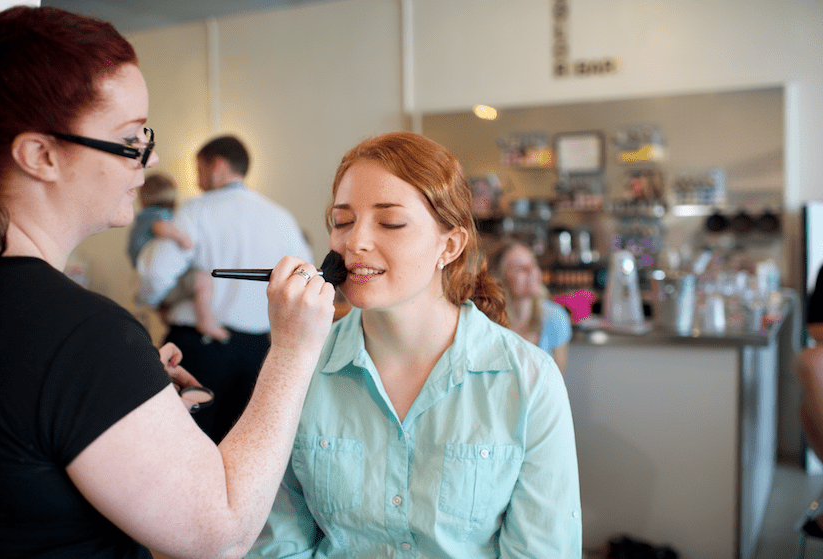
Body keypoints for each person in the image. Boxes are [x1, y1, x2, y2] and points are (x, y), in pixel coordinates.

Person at [0, 6, 334, 559]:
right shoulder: (81, 335)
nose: (146, 163)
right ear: (40, 155)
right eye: (129, 140)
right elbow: (220, 533)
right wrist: (293, 350)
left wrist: (118, 389)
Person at [248, 132, 582, 558]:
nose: (355, 243)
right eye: (343, 221)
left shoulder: (529, 380)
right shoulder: (302, 367)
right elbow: (277, 543)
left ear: (450, 244)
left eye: (390, 222)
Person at [137, 135, 314, 443]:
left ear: (217, 166)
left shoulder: (195, 211)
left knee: (181, 447)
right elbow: (306, 278)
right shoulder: (281, 218)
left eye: (200, 169)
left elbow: (156, 272)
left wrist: (151, 302)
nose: (197, 178)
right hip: (258, 353)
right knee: (241, 449)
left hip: (197, 350)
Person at [128, 172, 229, 341]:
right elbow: (161, 227)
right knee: (203, 279)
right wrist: (183, 238)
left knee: (166, 307)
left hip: (141, 279)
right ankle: (206, 321)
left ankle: (165, 314)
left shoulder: (141, 218)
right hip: (154, 279)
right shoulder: (158, 216)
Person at [488, 240, 573, 373]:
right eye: (519, 268)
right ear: (499, 278)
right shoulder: (487, 322)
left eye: (532, 264)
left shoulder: (555, 317)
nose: (531, 271)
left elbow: (557, 382)